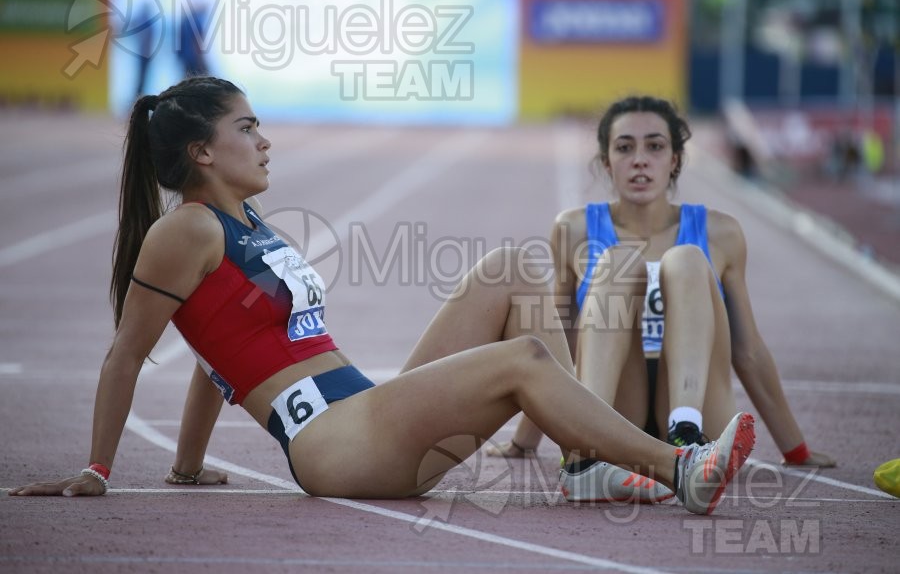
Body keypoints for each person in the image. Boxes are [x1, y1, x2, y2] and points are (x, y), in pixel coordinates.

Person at [8, 78, 755, 515]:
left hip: (365, 411)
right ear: (202, 152)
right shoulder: (186, 231)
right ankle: (678, 467)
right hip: (339, 448)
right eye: (247, 128)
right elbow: (127, 353)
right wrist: (99, 470)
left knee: (512, 269)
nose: (265, 140)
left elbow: (214, 349)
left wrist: (186, 464)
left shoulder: (241, 221)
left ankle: (582, 461)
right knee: (525, 357)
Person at [490, 96, 834, 500]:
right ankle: (587, 453)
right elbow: (557, 338)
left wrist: (796, 449)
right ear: (606, 162)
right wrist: (524, 439)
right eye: (624, 148)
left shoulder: (721, 232)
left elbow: (748, 349)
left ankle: (686, 433)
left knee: (687, 260)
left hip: (699, 400)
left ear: (674, 160)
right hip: (620, 411)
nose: (640, 160)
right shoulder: (574, 230)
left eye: (654, 146)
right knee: (618, 261)